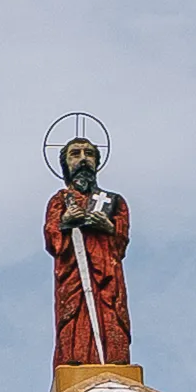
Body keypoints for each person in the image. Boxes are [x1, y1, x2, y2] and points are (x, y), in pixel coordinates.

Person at [44, 134, 134, 373]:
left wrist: (107, 227)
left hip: (106, 271)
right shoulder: (60, 200)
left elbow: (121, 240)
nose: (83, 159)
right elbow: (52, 238)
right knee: (74, 314)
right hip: (74, 271)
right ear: (66, 164)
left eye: (89, 154)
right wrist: (66, 220)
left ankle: (114, 359)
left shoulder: (113, 201)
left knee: (111, 311)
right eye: (76, 154)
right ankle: (75, 358)